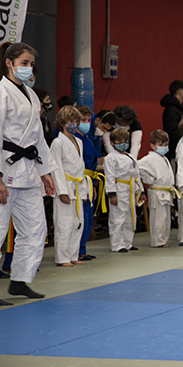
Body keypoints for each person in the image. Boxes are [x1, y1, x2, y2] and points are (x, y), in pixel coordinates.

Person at [0, 42, 57, 305]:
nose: (28, 68)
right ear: (9, 63)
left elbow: (39, 139)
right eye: (24, 62)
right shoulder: (1, 91)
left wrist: (45, 171)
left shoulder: (32, 96)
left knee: (36, 229)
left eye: (31, 63)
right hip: (5, 168)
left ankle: (20, 281)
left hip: (29, 172)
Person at [49, 106, 89, 267]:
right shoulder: (57, 142)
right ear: (62, 123)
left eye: (76, 121)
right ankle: (62, 258)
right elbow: (55, 168)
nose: (74, 124)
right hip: (65, 184)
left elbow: (81, 167)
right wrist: (61, 191)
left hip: (78, 185)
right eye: (71, 121)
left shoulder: (79, 141)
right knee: (64, 224)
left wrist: (84, 191)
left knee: (77, 223)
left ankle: (73, 255)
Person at [103, 128, 144, 252]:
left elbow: (136, 175)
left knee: (130, 217)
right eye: (119, 141)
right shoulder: (110, 158)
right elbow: (109, 177)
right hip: (118, 188)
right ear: (112, 142)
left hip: (130, 188)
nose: (123, 143)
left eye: (125, 140)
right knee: (118, 217)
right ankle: (117, 244)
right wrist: (112, 194)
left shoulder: (130, 157)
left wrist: (140, 191)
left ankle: (127, 242)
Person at [138, 130, 177, 247]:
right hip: (157, 191)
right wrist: (149, 179)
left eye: (166, 145)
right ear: (153, 146)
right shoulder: (149, 158)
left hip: (166, 191)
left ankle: (163, 240)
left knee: (165, 219)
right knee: (158, 218)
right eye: (161, 145)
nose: (164, 147)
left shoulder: (164, 158)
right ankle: (157, 241)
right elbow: (136, 167)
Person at [74, 105, 99, 261]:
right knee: (80, 218)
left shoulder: (87, 138)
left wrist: (94, 185)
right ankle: (75, 250)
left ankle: (82, 249)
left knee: (88, 218)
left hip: (90, 181)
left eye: (88, 120)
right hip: (80, 180)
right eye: (83, 120)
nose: (86, 122)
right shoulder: (75, 140)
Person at [161, 80, 183, 161]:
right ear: (180, 91)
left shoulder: (180, 108)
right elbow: (172, 131)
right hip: (174, 150)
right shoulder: (171, 110)